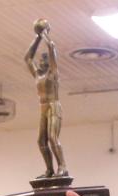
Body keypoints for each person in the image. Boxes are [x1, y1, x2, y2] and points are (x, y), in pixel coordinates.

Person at [25, 19, 67, 179]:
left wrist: (44, 34)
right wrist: (36, 38)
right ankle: (50, 170)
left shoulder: (53, 74)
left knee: (52, 137)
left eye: (45, 61)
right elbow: (28, 59)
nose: (41, 62)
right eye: (41, 61)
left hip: (54, 106)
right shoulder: (38, 75)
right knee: (41, 141)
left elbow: (52, 48)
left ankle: (62, 166)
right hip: (43, 107)